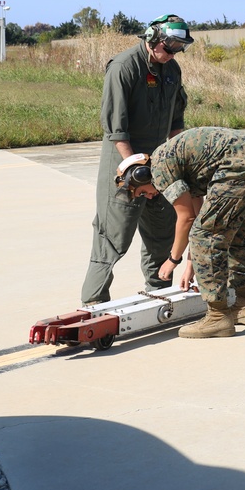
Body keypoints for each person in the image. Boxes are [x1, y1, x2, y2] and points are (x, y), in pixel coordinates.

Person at [116, 127, 245, 339]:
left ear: (141, 174)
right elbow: (200, 216)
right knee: (232, 235)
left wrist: (173, 260)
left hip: (238, 166)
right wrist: (192, 265)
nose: (148, 196)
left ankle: (218, 317)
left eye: (142, 192)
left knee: (206, 236)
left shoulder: (159, 170)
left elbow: (187, 220)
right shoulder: (173, 161)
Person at [79, 15, 193, 306]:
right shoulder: (123, 67)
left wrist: (174, 159)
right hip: (124, 163)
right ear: (152, 37)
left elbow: (176, 120)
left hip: (159, 163)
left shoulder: (171, 69)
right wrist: (132, 169)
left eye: (179, 48)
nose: (172, 53)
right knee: (112, 238)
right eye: (169, 46)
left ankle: (160, 292)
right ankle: (94, 303)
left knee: (162, 233)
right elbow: (115, 127)